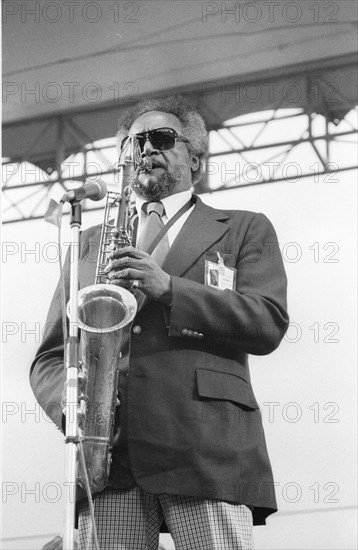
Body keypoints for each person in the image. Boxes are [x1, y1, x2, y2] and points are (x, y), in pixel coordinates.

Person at [31, 95, 289, 550]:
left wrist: (170, 288)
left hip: (205, 452)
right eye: (134, 143)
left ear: (196, 157)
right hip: (109, 461)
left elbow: (267, 321)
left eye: (161, 138)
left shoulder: (245, 227)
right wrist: (73, 408)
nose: (145, 148)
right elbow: (51, 357)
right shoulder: (88, 243)